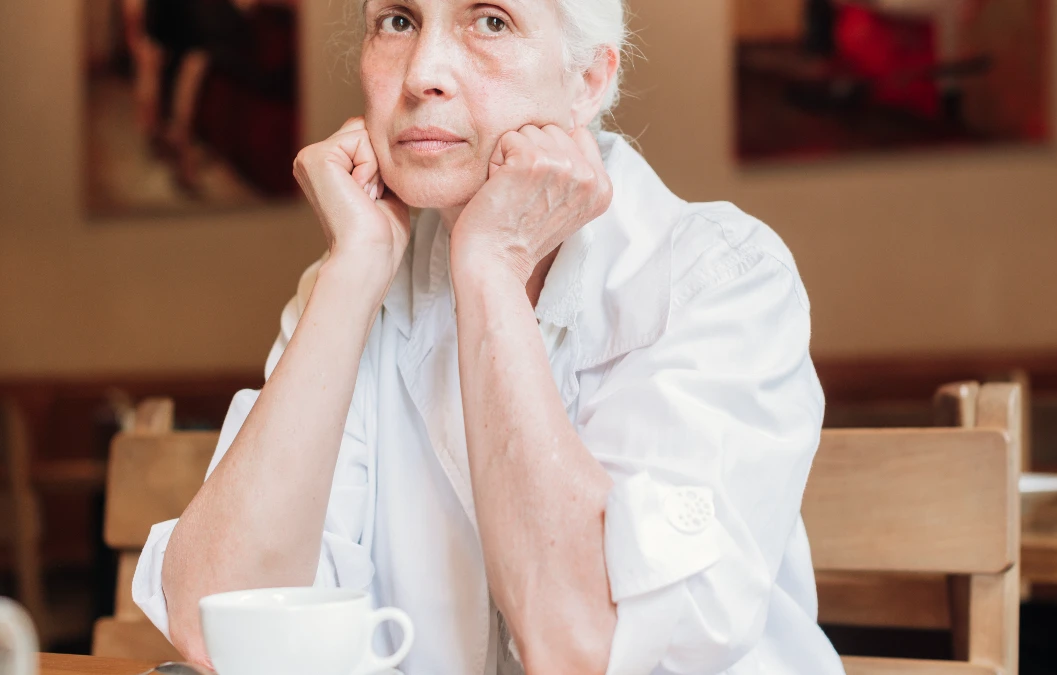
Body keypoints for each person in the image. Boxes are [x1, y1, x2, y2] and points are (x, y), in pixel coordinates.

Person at [133, 0, 845, 673]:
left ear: (589, 80)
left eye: (492, 21)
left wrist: (491, 268)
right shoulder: (353, 279)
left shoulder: (721, 278)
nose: (422, 74)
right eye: (397, 20)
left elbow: (582, 648)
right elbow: (214, 624)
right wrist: (350, 273)